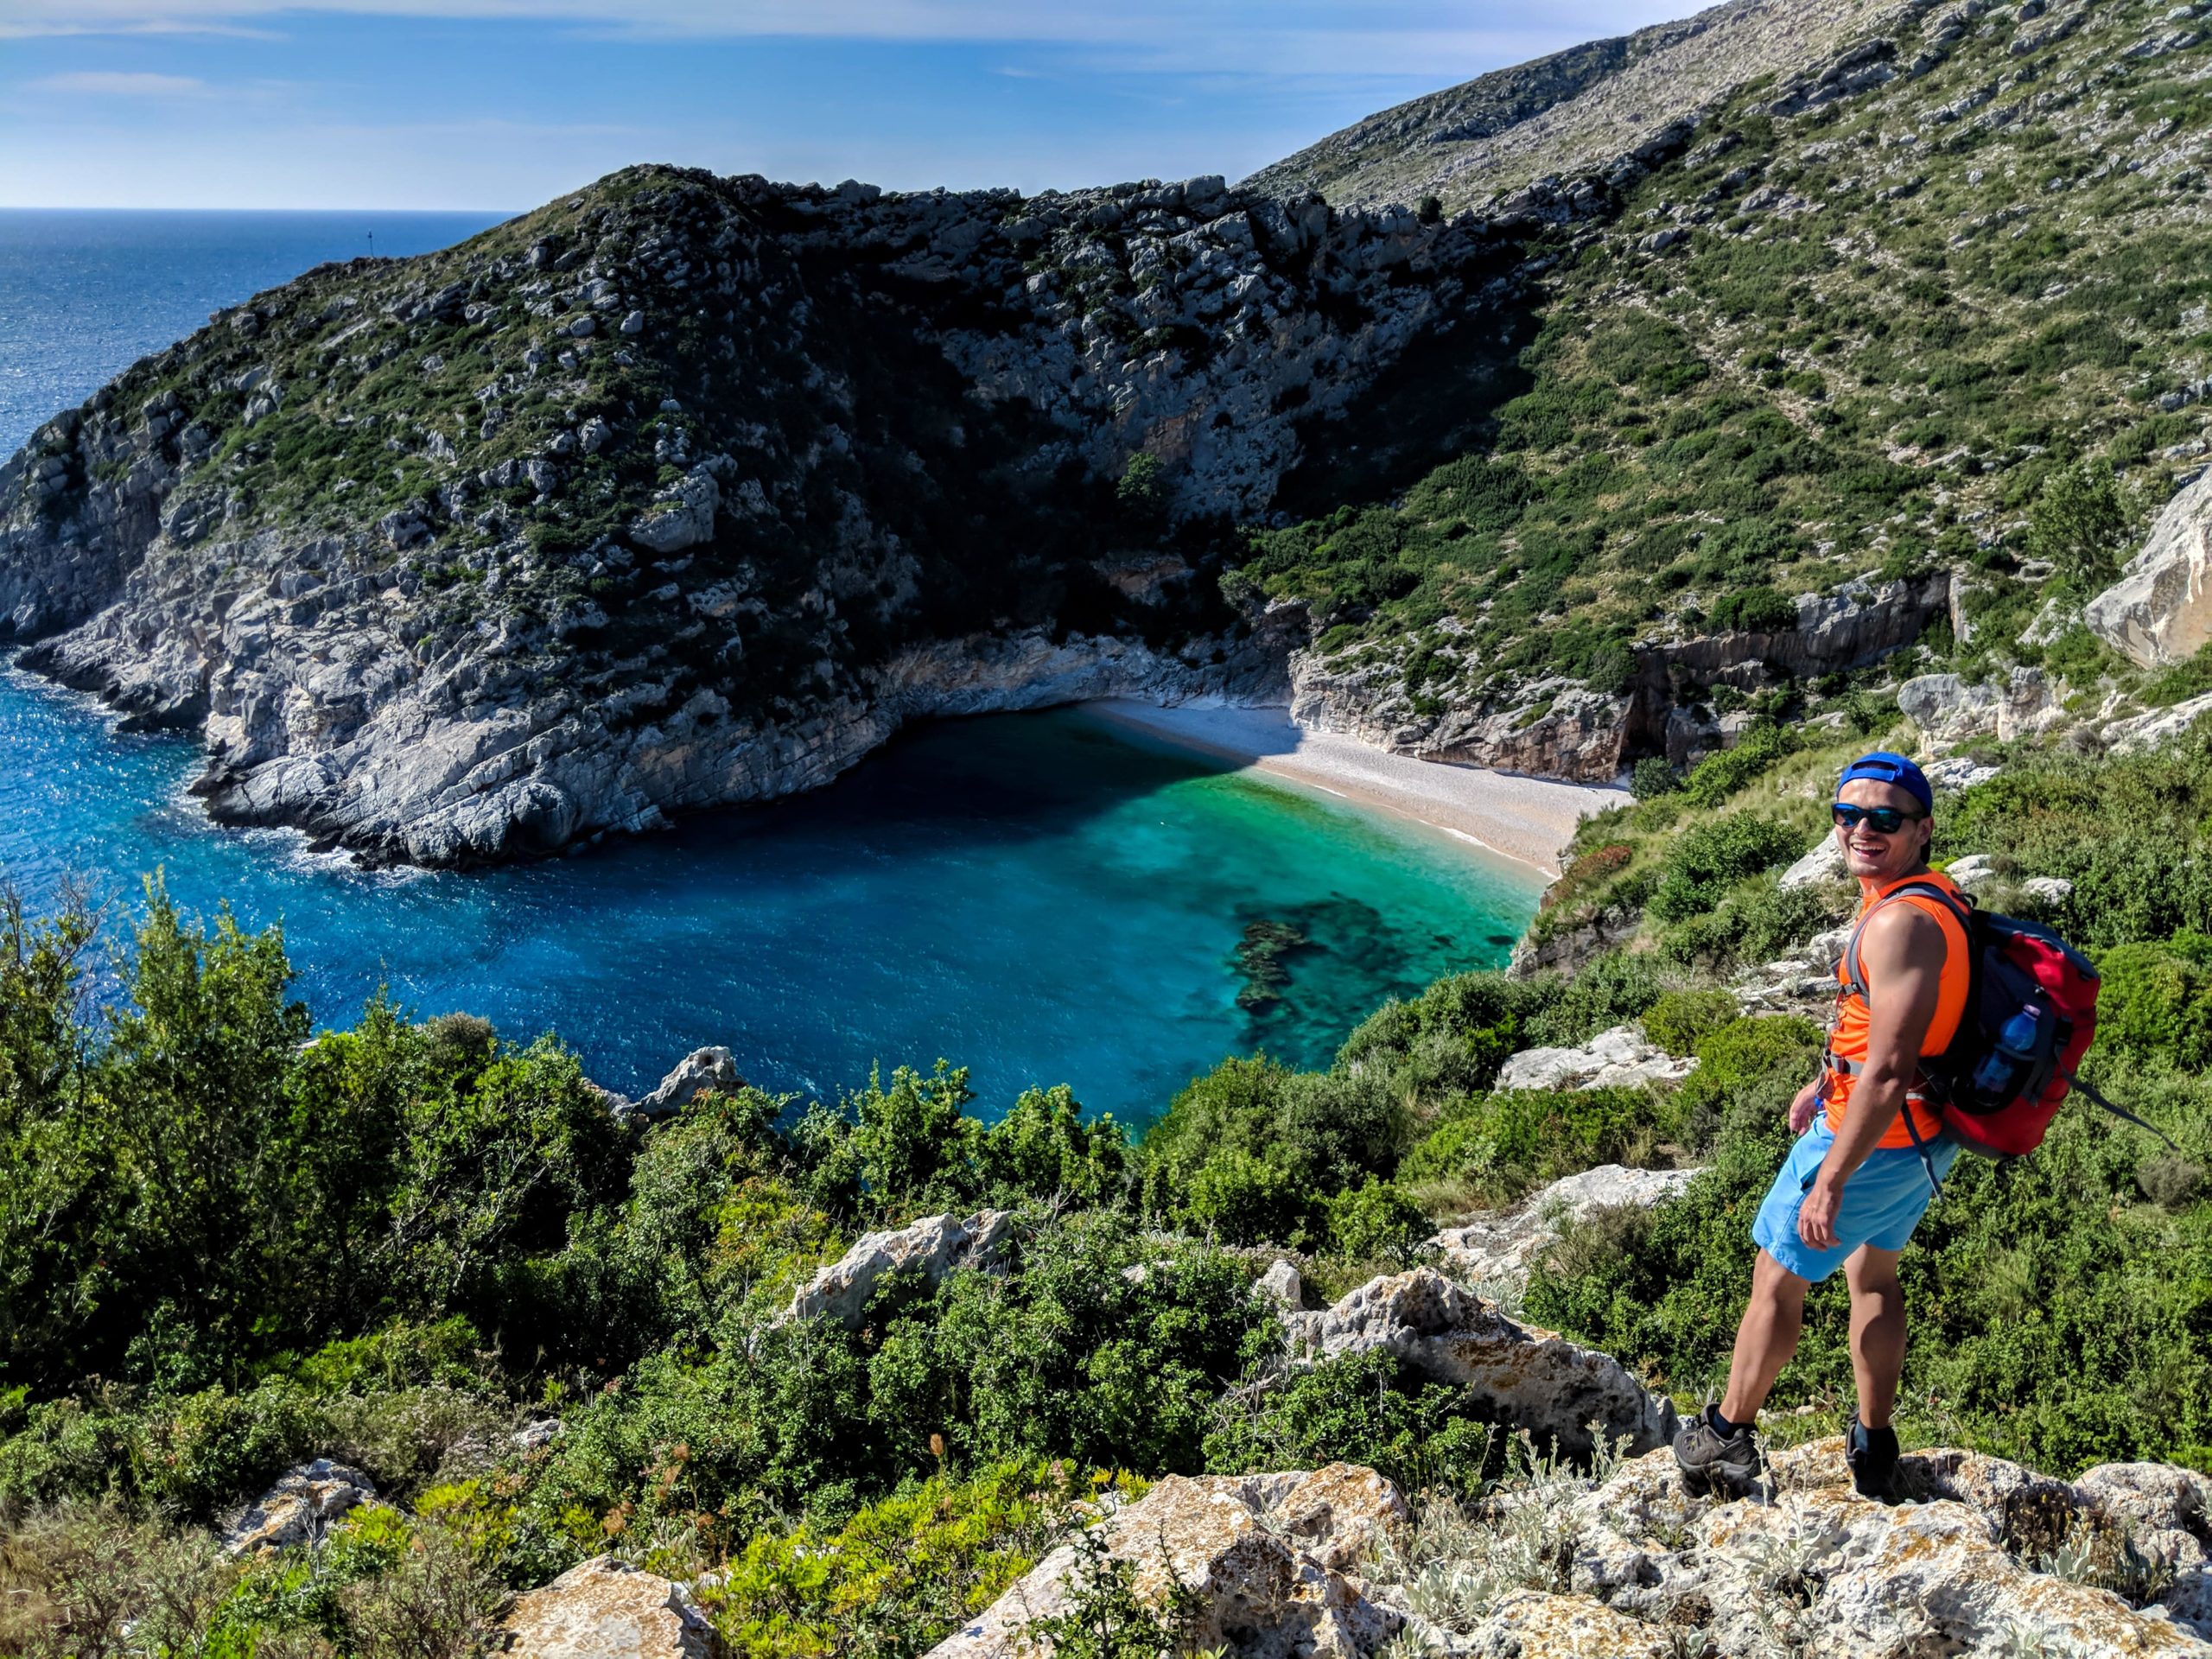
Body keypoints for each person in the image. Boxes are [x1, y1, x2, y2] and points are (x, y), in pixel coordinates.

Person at [1673, 751, 1967, 1502]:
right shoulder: (1932, 898)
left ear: (1922, 828)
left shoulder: (1898, 922)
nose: (1861, 829)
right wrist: (1823, 1078)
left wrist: (1830, 1178)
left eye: (1884, 818)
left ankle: (1726, 1437)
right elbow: (1891, 1034)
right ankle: (1874, 1446)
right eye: (1847, 815)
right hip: (1924, 1140)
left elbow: (1892, 1067)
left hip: (1870, 1140)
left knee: (1776, 1277)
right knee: (1872, 1273)